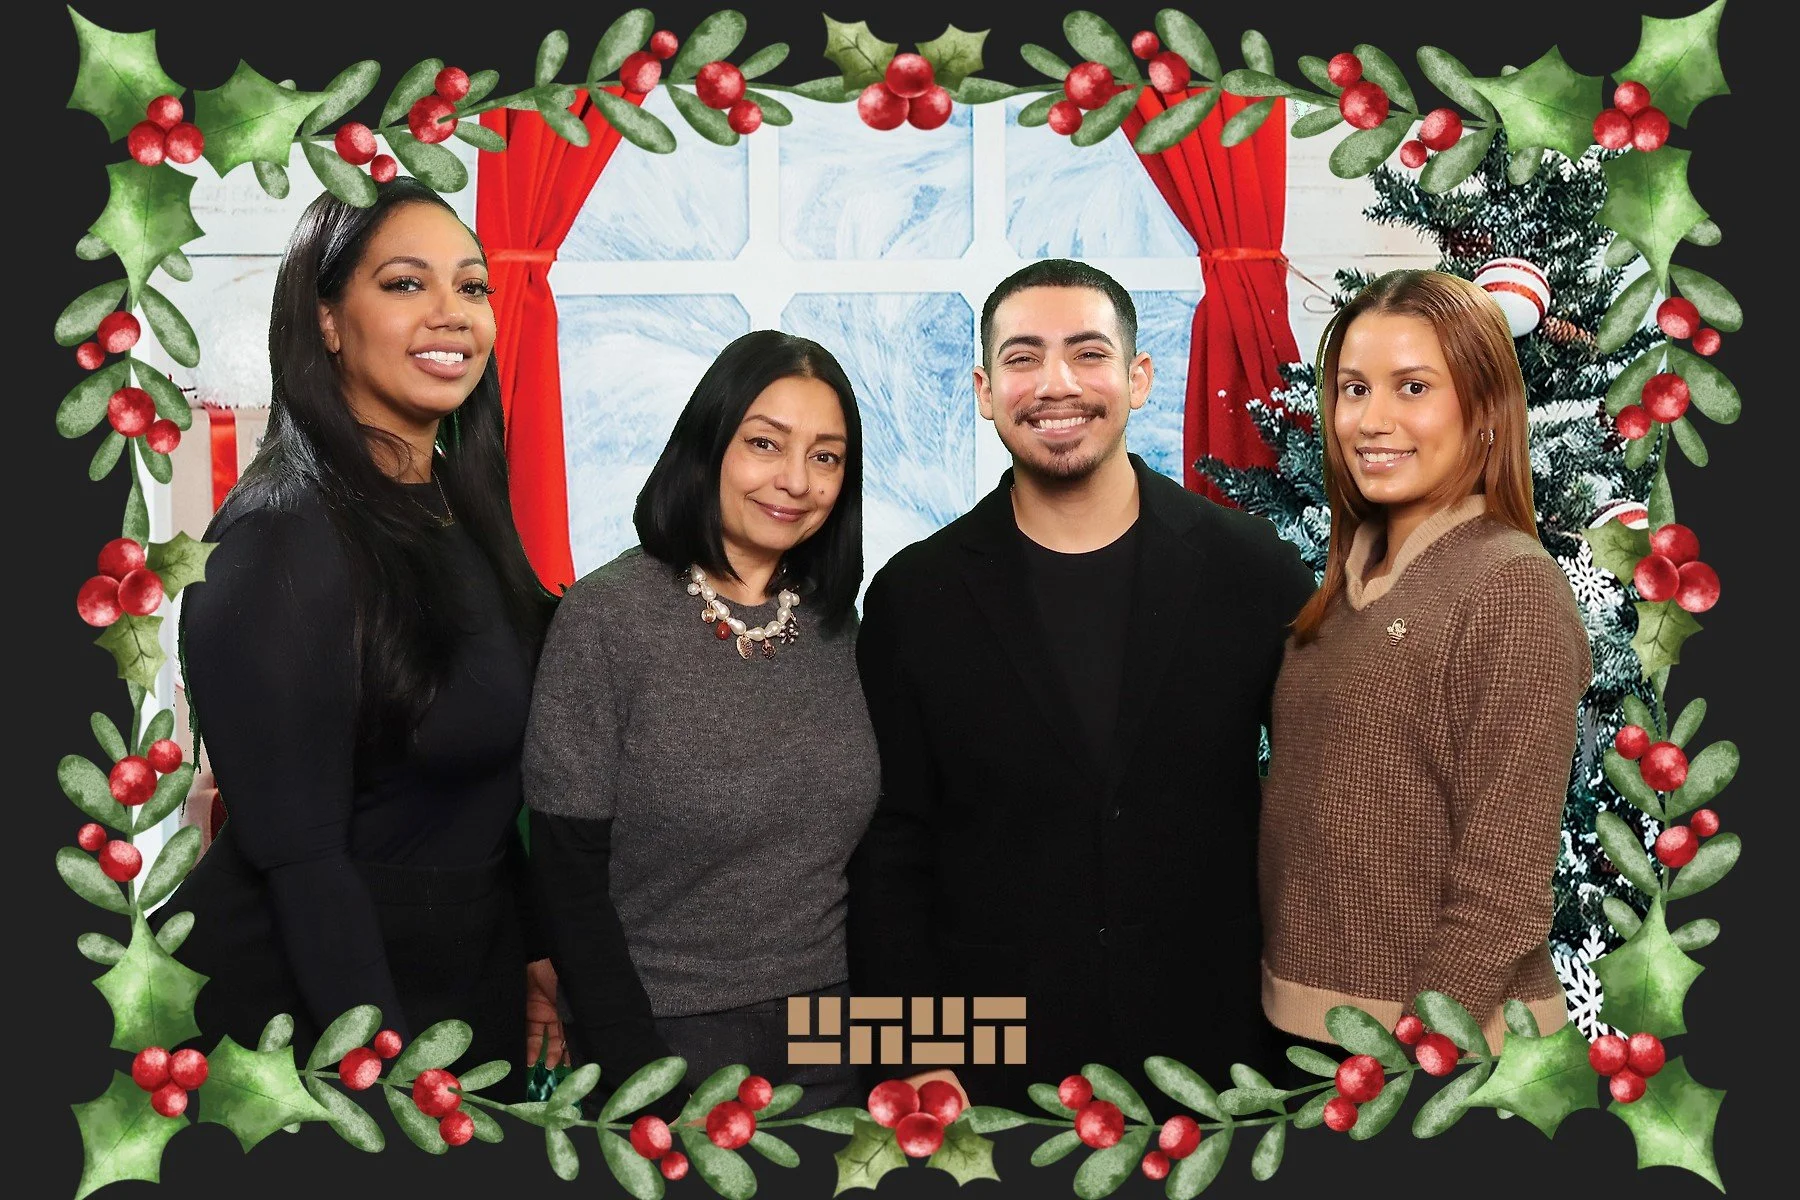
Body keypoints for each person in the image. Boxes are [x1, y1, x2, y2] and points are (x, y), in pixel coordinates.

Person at [848, 259, 1316, 1105]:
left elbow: (1322, 806)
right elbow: (890, 843)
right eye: (1024, 358)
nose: (1056, 383)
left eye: (1088, 354)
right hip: (990, 1054)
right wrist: (909, 1049)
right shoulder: (915, 594)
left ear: (1137, 379)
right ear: (987, 392)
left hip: (1219, 1048)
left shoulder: (1252, 570)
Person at [159, 178, 562, 1085]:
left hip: (455, 987)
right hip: (307, 1023)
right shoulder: (278, 537)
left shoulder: (459, 503)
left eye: (471, 286)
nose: (451, 314)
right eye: (406, 284)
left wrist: (534, 951)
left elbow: (485, 787)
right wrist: (394, 1078)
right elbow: (302, 860)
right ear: (328, 320)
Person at [523, 330, 876, 1114]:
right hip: (660, 1037)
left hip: (834, 1031)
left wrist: (928, 1046)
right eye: (764, 444)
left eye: (826, 457)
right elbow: (566, 877)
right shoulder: (607, 619)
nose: (795, 480)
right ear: (706, 446)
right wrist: (644, 1082)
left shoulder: (837, 627)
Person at [1259, 270, 1589, 1053]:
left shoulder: (1510, 584)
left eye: (1413, 387)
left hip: (1438, 1054)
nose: (1372, 421)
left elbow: (1504, 886)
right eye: (1353, 389)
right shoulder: (1346, 581)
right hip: (1307, 1031)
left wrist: (1413, 1050)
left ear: (1483, 410)